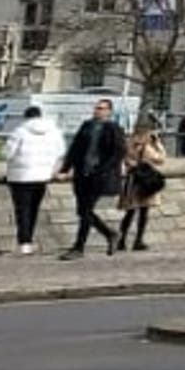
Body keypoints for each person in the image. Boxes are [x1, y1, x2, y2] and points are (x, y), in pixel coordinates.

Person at [65, 95, 129, 257]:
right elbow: (75, 148)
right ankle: (109, 234)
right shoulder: (87, 126)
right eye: (96, 108)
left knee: (86, 210)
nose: (97, 111)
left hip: (99, 175)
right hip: (82, 173)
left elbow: (118, 152)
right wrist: (66, 168)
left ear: (109, 112)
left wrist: (104, 169)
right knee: (83, 211)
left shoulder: (114, 129)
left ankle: (79, 247)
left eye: (101, 108)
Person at [0, 102, 66, 255]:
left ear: (26, 117)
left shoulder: (19, 132)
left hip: (20, 177)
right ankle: (29, 239)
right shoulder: (54, 131)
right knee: (34, 209)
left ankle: (24, 242)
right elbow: (60, 151)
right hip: (42, 176)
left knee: (22, 210)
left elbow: (7, 153)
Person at [118, 128, 168, 252]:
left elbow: (125, 161)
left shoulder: (128, 147)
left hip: (132, 182)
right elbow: (161, 159)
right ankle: (138, 240)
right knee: (143, 213)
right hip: (145, 184)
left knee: (129, 213)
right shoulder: (148, 149)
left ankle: (122, 240)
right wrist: (158, 143)